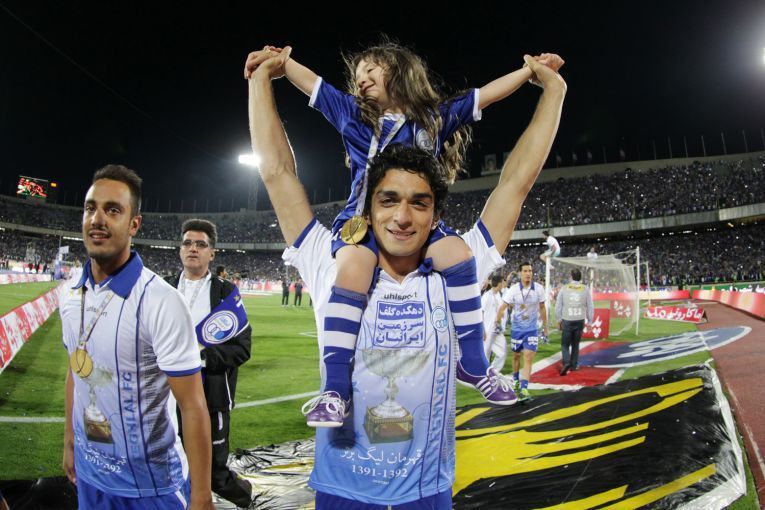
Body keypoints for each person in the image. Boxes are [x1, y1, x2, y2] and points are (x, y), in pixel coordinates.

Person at [247, 47, 565, 509]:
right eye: (388, 200)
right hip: (343, 494)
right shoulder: (331, 260)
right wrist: (262, 78)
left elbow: (517, 180)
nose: (401, 216)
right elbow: (276, 172)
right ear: (368, 204)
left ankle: (474, 364)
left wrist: (553, 91)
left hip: (426, 494)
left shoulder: (459, 265)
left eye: (419, 202)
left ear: (436, 212)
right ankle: (333, 391)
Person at [61, 165, 213, 509]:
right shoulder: (69, 293)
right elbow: (75, 370)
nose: (97, 219)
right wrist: (70, 439)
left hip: (151, 487)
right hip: (90, 474)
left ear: (134, 224)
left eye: (112, 210)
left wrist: (202, 496)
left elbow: (192, 405)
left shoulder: (162, 301)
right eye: (90, 208)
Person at [164, 219, 254, 508]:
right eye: (188, 243)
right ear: (180, 249)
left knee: (214, 472)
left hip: (210, 395)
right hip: (165, 396)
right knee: (171, 462)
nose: (193, 248)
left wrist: (200, 358)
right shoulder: (162, 289)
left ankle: (245, 498)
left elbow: (242, 349)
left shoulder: (226, 294)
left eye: (201, 244)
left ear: (212, 253)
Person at [495, 262, 549, 402]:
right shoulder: (513, 290)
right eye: (525, 271)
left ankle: (524, 388)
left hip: (532, 330)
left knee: (528, 357)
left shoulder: (539, 289)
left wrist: (545, 327)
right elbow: (503, 307)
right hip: (517, 329)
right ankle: (516, 381)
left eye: (530, 271)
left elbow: (542, 308)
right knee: (516, 356)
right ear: (520, 273)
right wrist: (497, 322)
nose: (528, 273)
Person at [555, 268, 594, 375]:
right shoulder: (585, 288)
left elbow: (558, 305)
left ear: (571, 277)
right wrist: (590, 321)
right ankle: (574, 365)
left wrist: (559, 319)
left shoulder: (564, 288)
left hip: (568, 319)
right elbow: (590, 306)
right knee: (575, 344)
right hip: (580, 319)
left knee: (565, 344)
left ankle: (566, 362)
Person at [481, 273, 508, 372]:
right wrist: (482, 330)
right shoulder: (487, 296)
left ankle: (493, 372)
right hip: (487, 329)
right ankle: (484, 374)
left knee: (503, 351)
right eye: (502, 282)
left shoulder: (498, 295)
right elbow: (480, 313)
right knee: (485, 353)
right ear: (499, 283)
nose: (503, 284)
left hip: (497, 329)